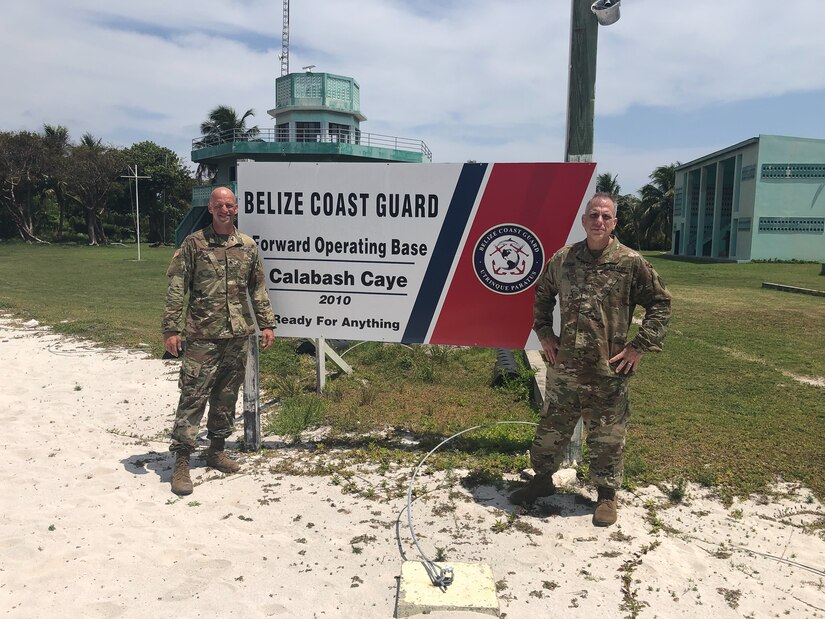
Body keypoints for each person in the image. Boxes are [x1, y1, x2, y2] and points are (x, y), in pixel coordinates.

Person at [509, 192, 671, 526]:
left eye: (606, 217)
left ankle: (606, 496)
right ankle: (541, 481)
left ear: (614, 223)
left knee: (607, 436)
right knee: (551, 427)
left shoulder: (630, 262)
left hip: (607, 369)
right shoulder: (564, 259)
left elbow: (660, 303)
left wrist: (639, 345)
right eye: (593, 215)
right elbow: (542, 294)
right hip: (565, 367)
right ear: (584, 220)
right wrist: (544, 332)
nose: (599, 221)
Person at [162, 186, 276, 496]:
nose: (225, 209)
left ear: (236, 208)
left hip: (237, 334)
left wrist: (266, 323)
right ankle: (182, 460)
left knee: (227, 395)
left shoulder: (248, 246)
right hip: (202, 335)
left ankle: (215, 449)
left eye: (230, 204)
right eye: (219, 205)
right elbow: (177, 287)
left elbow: (258, 288)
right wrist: (171, 329)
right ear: (210, 209)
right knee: (193, 395)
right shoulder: (194, 244)